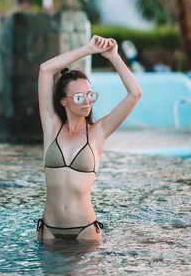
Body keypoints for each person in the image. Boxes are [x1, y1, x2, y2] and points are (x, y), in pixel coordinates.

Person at [36, 35, 142, 242]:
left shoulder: (99, 131)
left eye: (90, 95)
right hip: (49, 230)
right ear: (63, 101)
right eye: (78, 97)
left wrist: (113, 56)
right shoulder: (51, 126)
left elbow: (135, 94)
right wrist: (87, 49)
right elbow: (45, 69)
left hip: (84, 232)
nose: (87, 102)